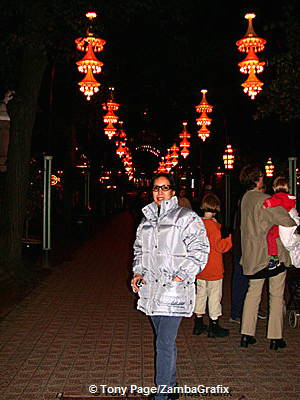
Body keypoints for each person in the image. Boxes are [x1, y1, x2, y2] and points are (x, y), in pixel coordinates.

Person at [131, 173, 210, 400]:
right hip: (151, 291)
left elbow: (200, 250)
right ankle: (172, 385)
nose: (160, 192)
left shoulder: (186, 217)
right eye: (156, 188)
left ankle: (162, 394)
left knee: (164, 343)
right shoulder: (146, 220)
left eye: (165, 188)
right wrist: (137, 272)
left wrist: (181, 276)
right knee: (163, 341)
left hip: (173, 291)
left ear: (173, 192)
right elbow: (139, 251)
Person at [239, 165, 296, 350]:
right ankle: (275, 336)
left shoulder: (245, 199)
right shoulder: (264, 200)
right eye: (261, 177)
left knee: (253, 293)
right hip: (270, 254)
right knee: (276, 294)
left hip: (251, 254)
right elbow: (286, 220)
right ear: (257, 179)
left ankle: (246, 334)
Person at [193, 192, 232, 337]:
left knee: (200, 295)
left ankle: (198, 323)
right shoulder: (213, 227)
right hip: (214, 268)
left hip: (201, 267)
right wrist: (229, 239)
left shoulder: (198, 224)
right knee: (214, 296)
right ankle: (214, 325)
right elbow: (220, 247)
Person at [263, 176, 297, 269]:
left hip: (282, 225)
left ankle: (274, 257)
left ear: (274, 188)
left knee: (270, 236)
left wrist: (265, 205)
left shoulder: (278, 196)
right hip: (290, 224)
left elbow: (272, 202)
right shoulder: (290, 198)